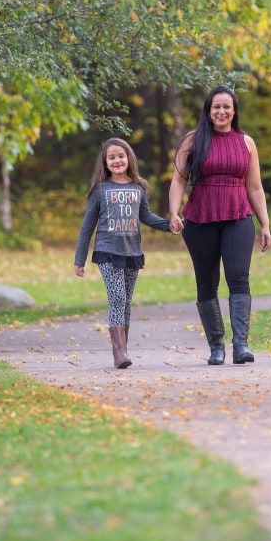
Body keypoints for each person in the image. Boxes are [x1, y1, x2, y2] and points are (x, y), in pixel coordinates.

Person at [168, 85, 271, 365]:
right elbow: (178, 180)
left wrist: (265, 224)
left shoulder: (246, 143)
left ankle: (241, 345)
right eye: (217, 107)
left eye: (227, 106)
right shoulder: (193, 140)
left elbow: (255, 187)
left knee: (239, 277)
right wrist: (174, 213)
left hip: (238, 217)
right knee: (206, 283)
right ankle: (216, 347)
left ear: (234, 110)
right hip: (200, 218)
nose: (222, 111)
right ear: (208, 110)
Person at [74, 137, 176, 368]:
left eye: (121, 156)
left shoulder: (139, 187)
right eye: (112, 157)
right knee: (117, 298)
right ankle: (118, 353)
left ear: (129, 158)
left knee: (126, 302)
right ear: (105, 162)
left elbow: (146, 216)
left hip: (132, 252)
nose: (117, 160)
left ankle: (124, 350)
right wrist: (79, 259)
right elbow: (87, 226)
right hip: (107, 252)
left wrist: (169, 225)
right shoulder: (100, 190)